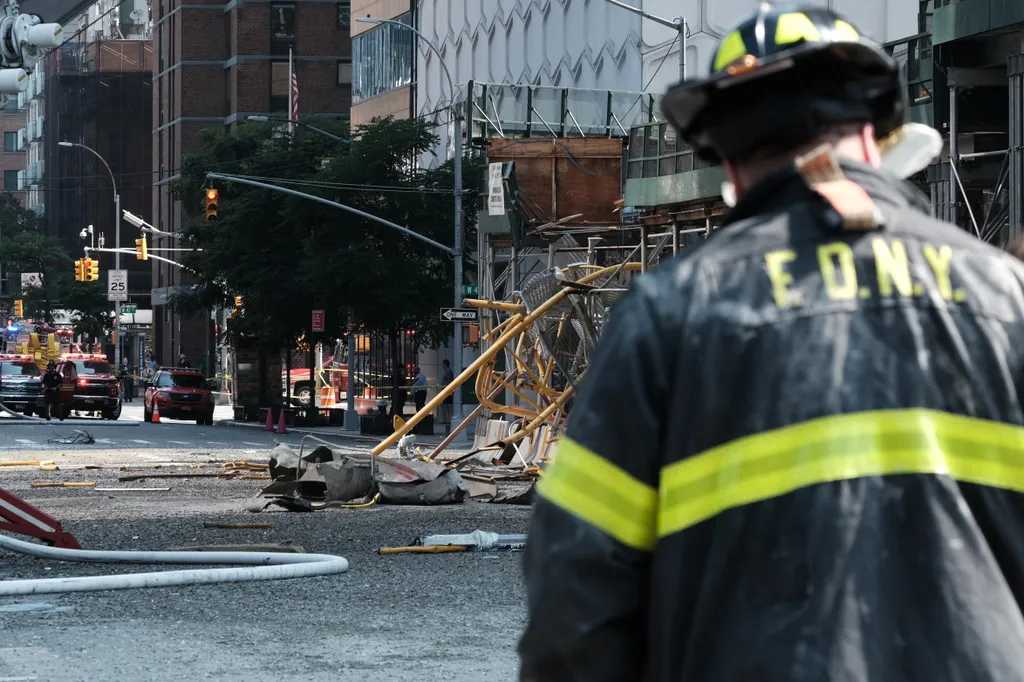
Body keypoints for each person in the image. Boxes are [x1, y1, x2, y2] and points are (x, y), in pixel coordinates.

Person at [519, 6, 1024, 681]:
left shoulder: (670, 315)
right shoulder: (1005, 296)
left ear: (727, 160)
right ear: (878, 135)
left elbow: (574, 599)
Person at [439, 359, 455, 427]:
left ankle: (448, 420)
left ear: (445, 364)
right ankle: (447, 420)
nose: (442, 366)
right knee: (446, 405)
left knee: (447, 406)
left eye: (443, 364)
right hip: (446, 391)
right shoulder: (447, 371)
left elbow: (449, 381)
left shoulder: (448, 372)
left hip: (447, 392)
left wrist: (446, 390)